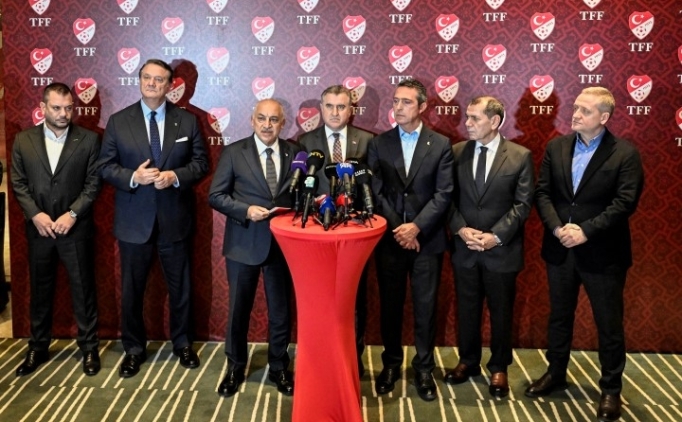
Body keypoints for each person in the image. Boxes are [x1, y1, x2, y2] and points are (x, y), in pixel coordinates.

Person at [527, 87, 644, 422]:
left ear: (604, 117)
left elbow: (625, 203)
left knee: (608, 324)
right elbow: (543, 193)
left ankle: (611, 390)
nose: (575, 114)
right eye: (575, 107)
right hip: (560, 248)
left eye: (585, 110)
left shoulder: (625, 153)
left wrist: (585, 230)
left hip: (603, 254)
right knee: (559, 317)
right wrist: (557, 228)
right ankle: (556, 373)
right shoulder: (557, 147)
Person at [99, 59, 208, 378]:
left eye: (159, 79)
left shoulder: (187, 121)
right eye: (146, 77)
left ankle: (183, 344)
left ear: (170, 85)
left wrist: (175, 176)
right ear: (139, 80)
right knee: (132, 291)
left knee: (181, 289)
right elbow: (105, 167)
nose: (152, 83)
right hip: (134, 224)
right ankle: (133, 349)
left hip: (175, 221)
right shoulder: (119, 121)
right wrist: (134, 177)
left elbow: (201, 164)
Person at [367, 78, 454, 402]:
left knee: (425, 308)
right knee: (390, 307)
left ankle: (424, 369)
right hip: (391, 240)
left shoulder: (440, 144)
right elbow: (375, 191)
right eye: (395, 101)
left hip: (427, 241)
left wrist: (416, 227)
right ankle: (391, 365)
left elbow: (444, 193)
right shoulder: (379, 143)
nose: (398, 107)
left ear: (422, 106)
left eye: (406, 102)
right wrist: (400, 229)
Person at [209, 99, 300, 398]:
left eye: (273, 120)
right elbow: (216, 195)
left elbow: (299, 195)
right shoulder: (234, 152)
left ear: (282, 123)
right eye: (261, 118)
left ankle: (279, 367)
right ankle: (235, 367)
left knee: (280, 311)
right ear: (252, 120)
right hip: (243, 242)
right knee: (238, 310)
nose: (267, 125)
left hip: (282, 245)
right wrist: (246, 210)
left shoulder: (294, 152)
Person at [11, 82, 101, 376]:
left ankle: (89, 348)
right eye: (57, 108)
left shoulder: (89, 140)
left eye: (69, 108)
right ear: (43, 108)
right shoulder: (23, 140)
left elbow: (93, 184)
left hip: (75, 229)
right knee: (39, 291)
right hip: (39, 230)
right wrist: (35, 215)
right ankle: (38, 347)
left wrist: (72, 214)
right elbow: (18, 183)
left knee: (83, 290)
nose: (64, 113)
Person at [446, 96, 534, 397]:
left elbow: (522, 205)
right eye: (467, 117)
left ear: (494, 121)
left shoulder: (520, 156)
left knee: (501, 313)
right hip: (465, 249)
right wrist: (461, 229)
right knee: (467, 310)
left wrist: (495, 236)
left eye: (475, 118)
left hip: (501, 251)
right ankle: (468, 361)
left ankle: (499, 368)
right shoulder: (457, 152)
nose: (467, 123)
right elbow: (447, 198)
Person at [298, 84, 373, 376]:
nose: (335, 112)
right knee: (320, 299)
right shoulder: (306, 141)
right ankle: (322, 357)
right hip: (318, 231)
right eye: (329, 106)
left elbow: (371, 185)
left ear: (351, 109)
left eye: (341, 106)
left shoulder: (366, 140)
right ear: (321, 108)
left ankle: (353, 356)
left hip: (354, 232)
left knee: (354, 298)